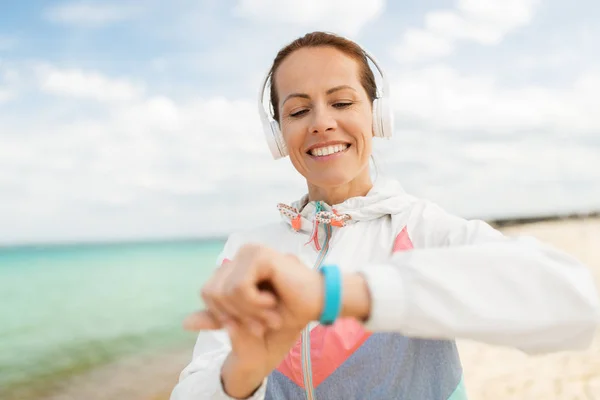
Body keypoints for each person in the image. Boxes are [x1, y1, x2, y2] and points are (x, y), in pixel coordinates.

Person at [170, 32, 600, 400]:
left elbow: (574, 302)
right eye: (299, 111)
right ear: (277, 136)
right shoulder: (246, 250)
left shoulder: (422, 229)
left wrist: (333, 295)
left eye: (341, 102)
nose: (321, 123)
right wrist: (241, 373)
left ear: (377, 116)